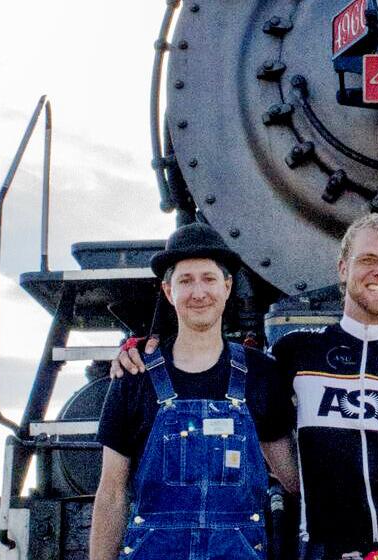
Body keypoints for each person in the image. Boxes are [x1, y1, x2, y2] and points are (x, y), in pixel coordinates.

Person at [116, 213, 378, 560]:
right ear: (343, 267)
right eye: (368, 259)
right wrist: (143, 349)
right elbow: (212, 367)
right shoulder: (296, 351)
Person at [90, 223, 299, 560]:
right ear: (169, 291)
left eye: (209, 278)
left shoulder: (261, 374)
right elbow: (112, 493)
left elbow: (294, 481)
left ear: (227, 287)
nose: (198, 292)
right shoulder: (134, 376)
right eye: (185, 280)